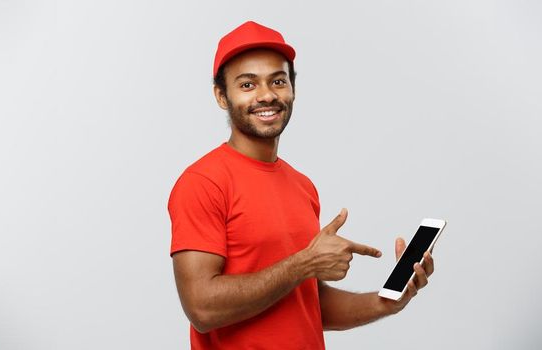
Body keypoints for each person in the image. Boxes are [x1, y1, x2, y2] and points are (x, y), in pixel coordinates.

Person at [167, 20, 436, 349]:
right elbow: (202, 307)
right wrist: (304, 263)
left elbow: (306, 302)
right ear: (222, 96)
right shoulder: (203, 182)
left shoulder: (302, 186)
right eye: (248, 85)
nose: (267, 95)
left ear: (292, 90)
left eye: (278, 81)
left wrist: (388, 302)